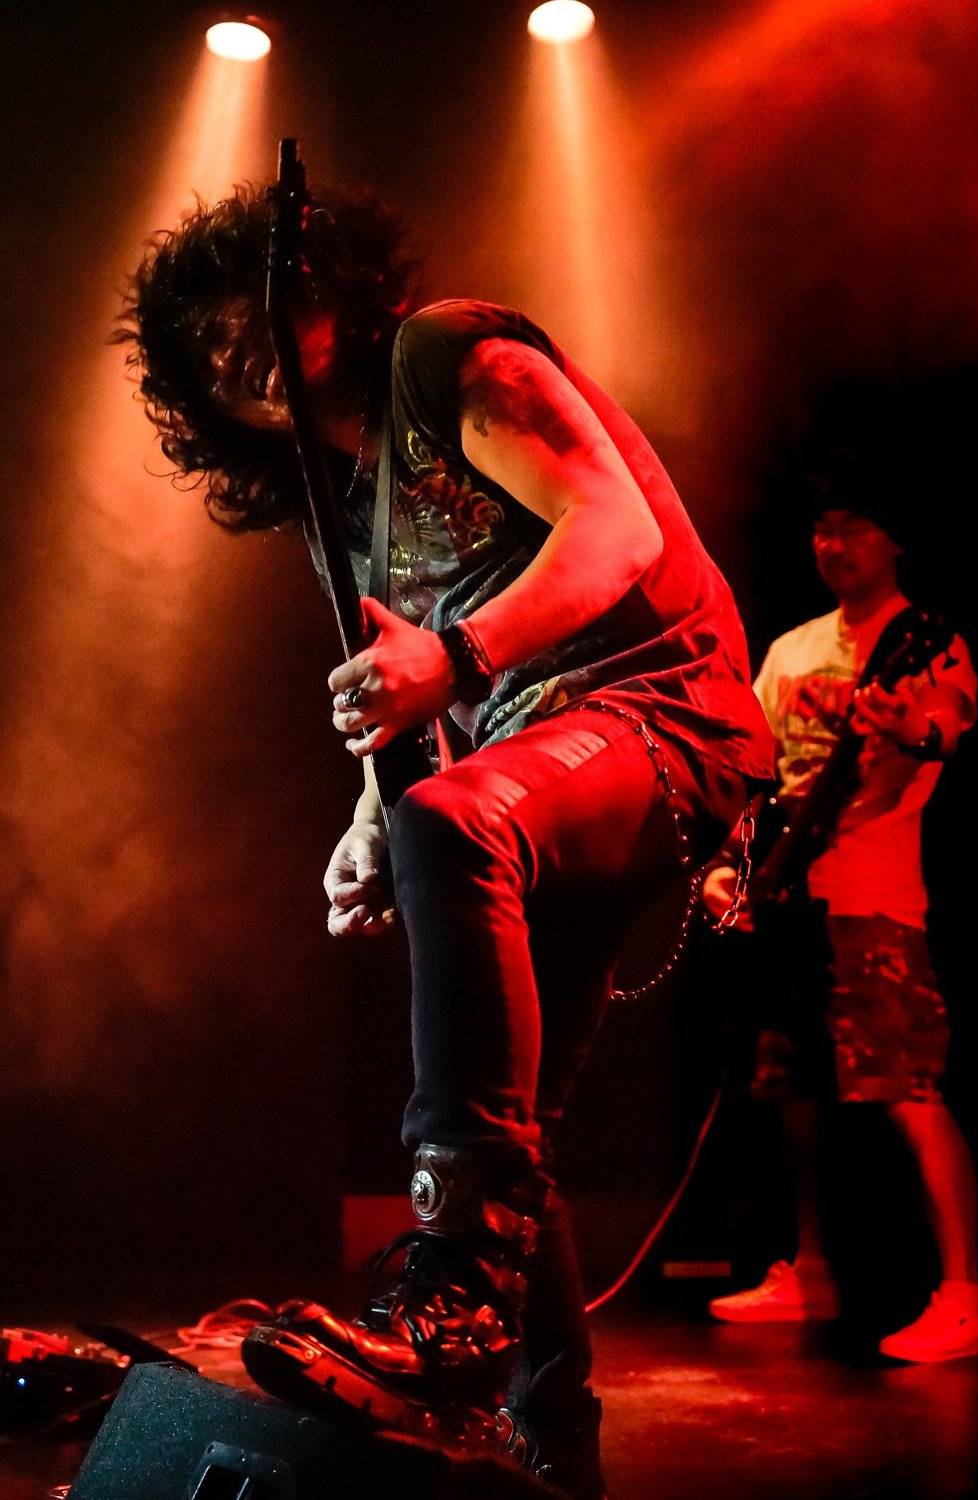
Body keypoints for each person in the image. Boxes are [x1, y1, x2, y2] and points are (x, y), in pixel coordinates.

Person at [118, 183, 775, 1494]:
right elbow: (415, 704)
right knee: (513, 1130)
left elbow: (617, 525)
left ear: (328, 288)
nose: (240, 351)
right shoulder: (338, 507)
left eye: (256, 310)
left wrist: (457, 667)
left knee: (453, 822)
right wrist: (370, 819)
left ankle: (456, 1296)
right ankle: (548, 1441)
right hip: (530, 773)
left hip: (663, 713)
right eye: (208, 347)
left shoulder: (446, 356)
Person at [702, 485, 978, 1363]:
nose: (833, 545)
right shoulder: (791, 649)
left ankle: (963, 1295)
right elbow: (752, 769)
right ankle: (809, 1269)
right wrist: (726, 863)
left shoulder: (924, 640)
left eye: (853, 528)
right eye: (821, 529)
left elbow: (947, 724)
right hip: (787, 898)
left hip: (872, 899)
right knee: (788, 1090)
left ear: (893, 540)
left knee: (907, 1089)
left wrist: (915, 730)